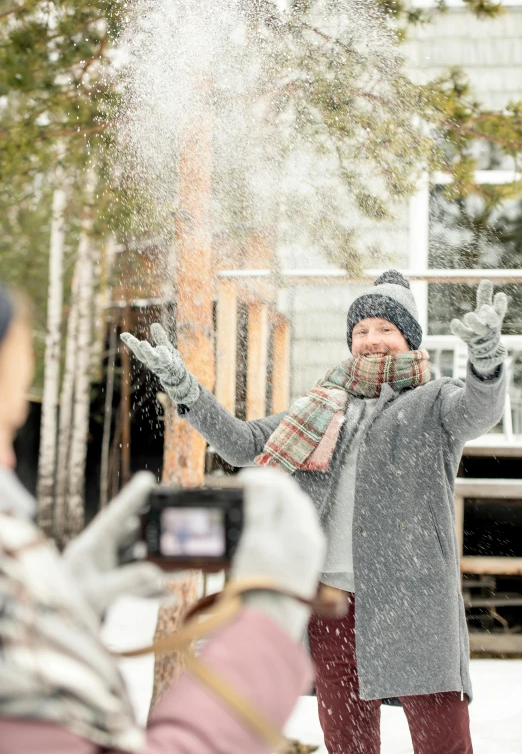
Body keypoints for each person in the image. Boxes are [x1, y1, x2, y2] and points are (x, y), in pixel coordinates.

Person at [122, 270, 508, 754]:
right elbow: (242, 444)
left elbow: (480, 410)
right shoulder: (322, 409)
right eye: (362, 331)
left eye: (386, 330)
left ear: (409, 338)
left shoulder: (434, 403)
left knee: (443, 742)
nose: (372, 340)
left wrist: (487, 358)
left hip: (413, 600)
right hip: (331, 604)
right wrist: (186, 389)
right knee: (346, 741)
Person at [0, 283, 326, 754]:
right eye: (9, 430)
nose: (11, 464)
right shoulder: (314, 410)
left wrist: (55, 612)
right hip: (310, 593)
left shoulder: (424, 404)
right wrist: (264, 628)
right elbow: (240, 442)